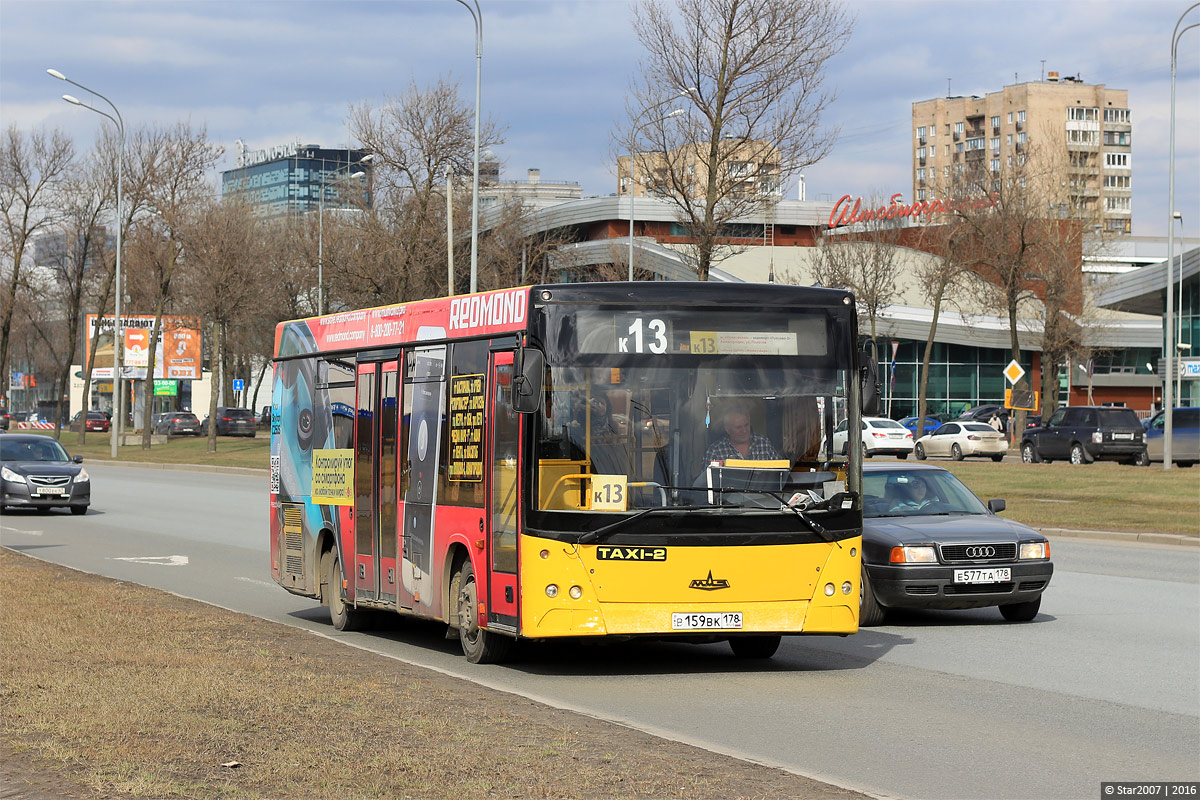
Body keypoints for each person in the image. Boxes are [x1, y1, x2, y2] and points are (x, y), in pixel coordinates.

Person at [704, 408, 781, 463]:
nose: (744, 430)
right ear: (727, 429)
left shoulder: (763, 443)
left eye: (746, 425)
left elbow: (781, 470)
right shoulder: (715, 451)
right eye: (738, 427)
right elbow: (706, 482)